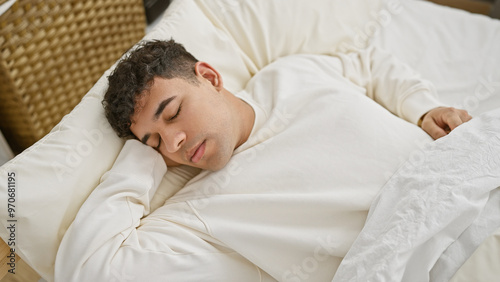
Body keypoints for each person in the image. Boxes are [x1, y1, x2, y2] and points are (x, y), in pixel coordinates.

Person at [55, 39, 472, 281]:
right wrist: (140, 159)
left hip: (471, 176)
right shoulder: (197, 212)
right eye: (155, 141)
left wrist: (421, 108)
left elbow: (367, 62)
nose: (174, 142)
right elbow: (89, 269)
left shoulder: (291, 74)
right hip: (439, 262)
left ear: (211, 77)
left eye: (173, 112)